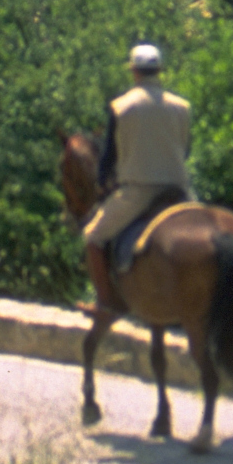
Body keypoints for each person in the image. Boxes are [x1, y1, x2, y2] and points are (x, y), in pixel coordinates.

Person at [81, 43, 193, 314]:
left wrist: (102, 180)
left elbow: (109, 156)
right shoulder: (182, 107)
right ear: (159, 71)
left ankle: (106, 302)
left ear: (134, 72)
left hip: (138, 192)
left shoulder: (121, 107)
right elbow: (186, 149)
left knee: (92, 237)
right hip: (179, 190)